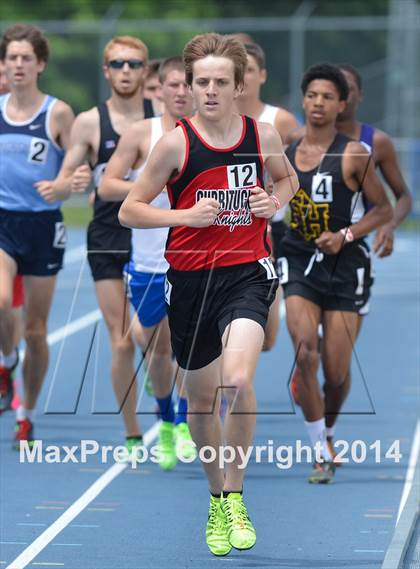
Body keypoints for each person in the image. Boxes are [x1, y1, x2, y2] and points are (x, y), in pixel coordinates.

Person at [119, 33, 298, 556]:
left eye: (223, 81)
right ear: (190, 88)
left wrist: (273, 201)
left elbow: (287, 183)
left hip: (248, 270)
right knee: (200, 399)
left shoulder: (261, 135)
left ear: (240, 85)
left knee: (238, 380)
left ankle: (237, 496)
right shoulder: (175, 143)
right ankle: (217, 497)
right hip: (191, 279)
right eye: (203, 82)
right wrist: (184, 216)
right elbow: (131, 208)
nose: (212, 90)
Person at [287, 63, 412, 460]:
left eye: (327, 97)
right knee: (305, 352)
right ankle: (317, 444)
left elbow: (383, 207)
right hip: (299, 259)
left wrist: (346, 235)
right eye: (312, 95)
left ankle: (330, 424)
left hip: (346, 266)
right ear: (303, 100)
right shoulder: (286, 152)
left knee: (336, 372)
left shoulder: (356, 153)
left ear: (342, 104)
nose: (318, 103)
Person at [54, 35, 155, 455]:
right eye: (117, 64)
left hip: (153, 235)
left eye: (133, 63)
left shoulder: (162, 117)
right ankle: (133, 432)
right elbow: (64, 181)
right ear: (106, 70)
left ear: (146, 70)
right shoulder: (89, 122)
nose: (126, 71)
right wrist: (73, 182)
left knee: (155, 338)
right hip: (108, 236)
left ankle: (170, 411)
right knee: (121, 338)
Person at [99, 56, 196, 469]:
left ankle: (187, 422)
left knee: (192, 349)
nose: (180, 92)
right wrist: (150, 183)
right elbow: (106, 187)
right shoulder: (143, 134)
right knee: (157, 350)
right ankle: (166, 415)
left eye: (186, 85)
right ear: (159, 87)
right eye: (172, 84)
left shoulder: (209, 135)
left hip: (194, 258)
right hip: (149, 261)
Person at [0, 24, 76, 444]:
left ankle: (26, 411)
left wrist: (65, 183)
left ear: (40, 64)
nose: (18, 65)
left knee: (36, 329)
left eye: (26, 58)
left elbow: (77, 163)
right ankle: (6, 361)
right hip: (3, 220)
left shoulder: (56, 113)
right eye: (12, 57)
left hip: (44, 225)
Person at [235, 41, 300, 351]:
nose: (243, 77)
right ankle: (227, 387)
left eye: (249, 70)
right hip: (229, 230)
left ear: (261, 75)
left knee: (267, 339)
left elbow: (302, 171)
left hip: (274, 230)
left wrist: (278, 192)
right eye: (238, 70)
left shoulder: (281, 121)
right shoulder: (213, 118)